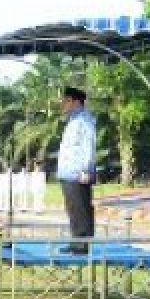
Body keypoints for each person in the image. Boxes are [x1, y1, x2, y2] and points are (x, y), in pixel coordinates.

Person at [57, 87, 97, 253]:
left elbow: (89, 146)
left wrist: (86, 169)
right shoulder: (72, 120)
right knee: (73, 208)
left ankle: (82, 244)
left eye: (66, 101)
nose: (63, 105)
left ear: (75, 101)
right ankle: (76, 241)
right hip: (68, 173)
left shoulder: (84, 121)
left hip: (78, 173)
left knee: (81, 207)